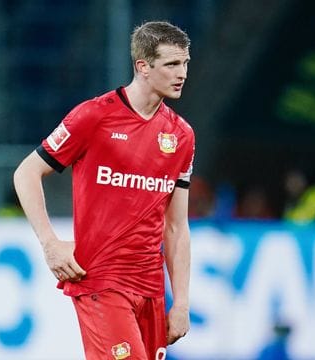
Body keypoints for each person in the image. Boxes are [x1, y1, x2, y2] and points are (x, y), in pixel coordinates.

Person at [14, 21, 194, 359]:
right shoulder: (94, 116)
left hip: (151, 289)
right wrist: (50, 243)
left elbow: (176, 226)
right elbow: (26, 173)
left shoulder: (181, 135)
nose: (181, 72)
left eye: (185, 63)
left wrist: (181, 301)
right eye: (171, 64)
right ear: (143, 66)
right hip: (100, 281)